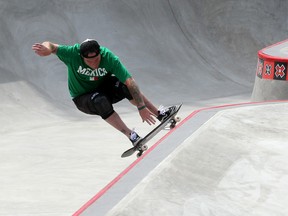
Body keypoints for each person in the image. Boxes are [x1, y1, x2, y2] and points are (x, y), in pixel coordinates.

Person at [32, 39, 174, 146]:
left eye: (97, 59)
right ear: (81, 57)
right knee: (100, 100)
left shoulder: (109, 58)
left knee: (125, 87)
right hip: (82, 98)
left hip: (103, 88)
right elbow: (51, 45)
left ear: (100, 53)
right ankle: (131, 135)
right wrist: (46, 48)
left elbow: (130, 81)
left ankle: (159, 114)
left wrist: (141, 107)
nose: (94, 63)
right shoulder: (71, 54)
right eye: (89, 61)